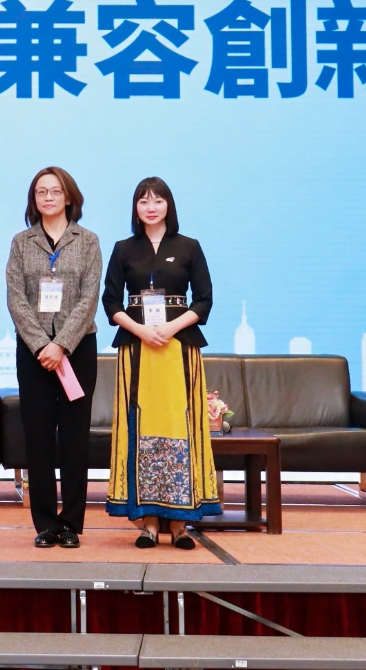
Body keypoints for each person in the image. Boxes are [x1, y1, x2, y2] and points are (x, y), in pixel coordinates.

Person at [102, 176, 221, 549]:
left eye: (157, 200)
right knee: (140, 428)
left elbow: (204, 300)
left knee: (179, 426)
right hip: (136, 350)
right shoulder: (123, 249)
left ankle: (181, 524)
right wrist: (140, 329)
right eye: (143, 201)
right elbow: (110, 301)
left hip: (178, 348)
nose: (150, 207)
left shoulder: (189, 247)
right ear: (135, 208)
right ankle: (149, 523)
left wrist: (170, 327)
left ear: (169, 205)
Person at [5, 166, 102, 549]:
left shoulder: (88, 241)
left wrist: (61, 344)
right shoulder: (21, 242)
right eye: (40, 192)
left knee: (75, 438)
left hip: (77, 350)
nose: (48, 197)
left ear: (69, 197)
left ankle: (71, 523)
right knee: (39, 438)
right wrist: (40, 345)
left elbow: (89, 298)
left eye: (55, 191)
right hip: (34, 354)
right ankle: (45, 523)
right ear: (34, 200)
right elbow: (15, 298)